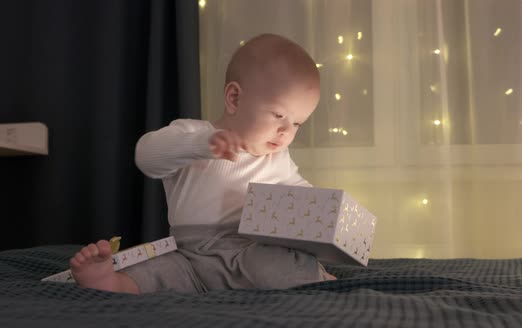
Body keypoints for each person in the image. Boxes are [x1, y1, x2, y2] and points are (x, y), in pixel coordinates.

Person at [69, 33, 336, 294]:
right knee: (157, 269)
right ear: (234, 98)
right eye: (279, 115)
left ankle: (314, 275)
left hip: (248, 252)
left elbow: (300, 194)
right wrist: (201, 145)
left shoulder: (278, 159)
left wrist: (326, 215)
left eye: (297, 123)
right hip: (190, 255)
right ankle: (110, 282)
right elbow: (146, 156)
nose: (286, 131)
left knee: (275, 264)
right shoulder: (192, 134)